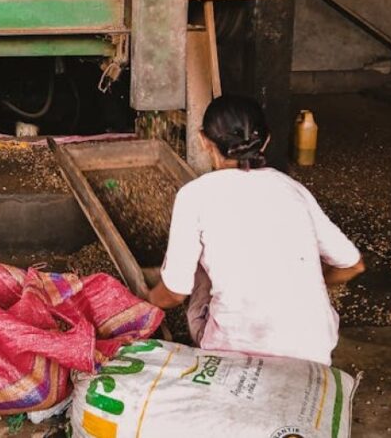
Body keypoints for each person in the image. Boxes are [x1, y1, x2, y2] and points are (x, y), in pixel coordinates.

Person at [147, 95, 365, 365]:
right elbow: (353, 265)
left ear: (203, 140)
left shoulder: (195, 195)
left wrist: (145, 300)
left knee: (200, 267)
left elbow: (174, 292)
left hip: (234, 349)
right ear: (266, 140)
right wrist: (299, 285)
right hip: (313, 347)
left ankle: (211, 357)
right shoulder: (292, 189)